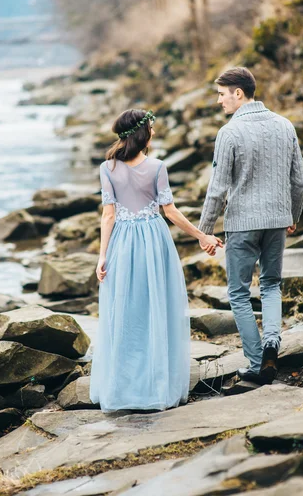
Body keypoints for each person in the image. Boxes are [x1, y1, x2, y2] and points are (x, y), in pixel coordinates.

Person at [90, 109, 222, 413]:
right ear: (143, 133)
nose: (154, 132)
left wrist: (102, 256)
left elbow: (108, 215)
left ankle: (123, 388)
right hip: (153, 241)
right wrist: (202, 236)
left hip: (122, 243)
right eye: (151, 128)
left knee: (125, 312)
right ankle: (157, 384)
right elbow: (171, 212)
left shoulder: (107, 168)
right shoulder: (157, 167)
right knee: (156, 309)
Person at [198, 67, 303, 385]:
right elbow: (299, 180)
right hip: (276, 221)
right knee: (272, 285)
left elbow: (217, 189)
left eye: (221, 94)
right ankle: (272, 345)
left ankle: (258, 362)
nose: (219, 101)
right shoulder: (285, 125)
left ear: (238, 93)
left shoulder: (229, 133)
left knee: (239, 292)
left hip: (243, 224)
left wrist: (206, 230)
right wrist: (293, 216)